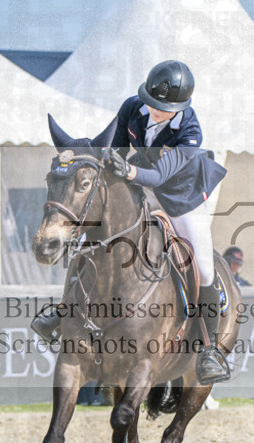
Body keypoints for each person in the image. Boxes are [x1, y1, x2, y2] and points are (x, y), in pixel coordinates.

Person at [31, 60, 230, 384]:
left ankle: (209, 350)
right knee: (92, 236)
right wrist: (89, 157)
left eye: (162, 109)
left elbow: (161, 174)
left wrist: (130, 171)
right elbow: (113, 145)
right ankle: (63, 311)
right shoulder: (133, 107)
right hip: (137, 185)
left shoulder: (191, 132)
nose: (153, 111)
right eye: (151, 103)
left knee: (204, 267)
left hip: (181, 197)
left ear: (179, 108)